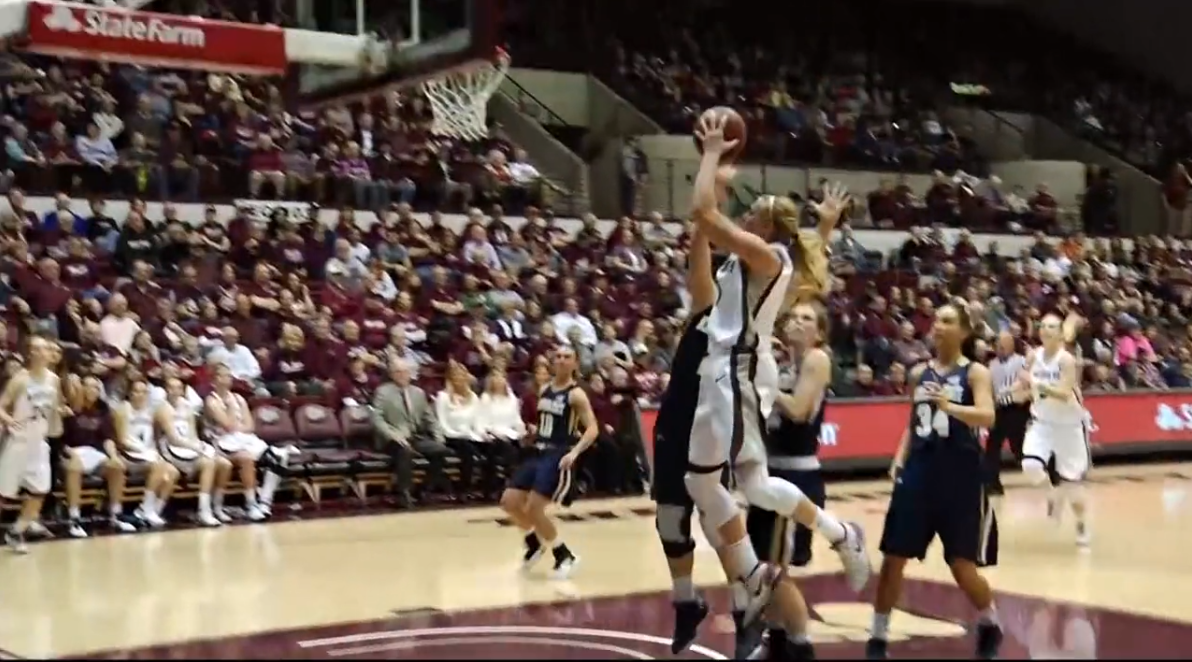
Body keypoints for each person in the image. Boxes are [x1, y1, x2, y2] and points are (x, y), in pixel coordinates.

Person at [681, 112, 870, 643]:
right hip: (717, 369)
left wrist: (712, 159)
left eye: (755, 212)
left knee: (749, 485)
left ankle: (827, 540)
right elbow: (700, 292)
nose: (747, 215)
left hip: (738, 373)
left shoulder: (770, 257)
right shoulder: (738, 266)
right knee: (706, 482)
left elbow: (704, 209)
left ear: (770, 226)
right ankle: (768, 567)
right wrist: (705, 219)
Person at [867, 300, 1001, 660]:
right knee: (893, 557)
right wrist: (899, 459)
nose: (937, 326)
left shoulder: (974, 373)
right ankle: (878, 637)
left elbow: (987, 417)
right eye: (936, 320)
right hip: (919, 473)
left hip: (960, 476)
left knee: (961, 566)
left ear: (964, 331)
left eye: (947, 321)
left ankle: (990, 621)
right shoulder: (918, 373)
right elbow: (914, 424)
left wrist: (951, 407)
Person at [745, 304, 834, 657]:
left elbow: (797, 410)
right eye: (794, 316)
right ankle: (776, 640)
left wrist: (763, 388)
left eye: (807, 318)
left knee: (777, 569)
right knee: (761, 568)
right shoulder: (780, 364)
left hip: (796, 475)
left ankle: (801, 646)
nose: (797, 321)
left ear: (820, 332)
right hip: (769, 471)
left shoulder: (817, 358)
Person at [499, 346, 598, 580]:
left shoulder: (576, 394)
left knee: (535, 506)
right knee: (509, 501)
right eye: (558, 357)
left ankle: (564, 555)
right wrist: (532, 431)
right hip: (538, 451)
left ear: (575, 363)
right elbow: (546, 423)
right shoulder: (545, 389)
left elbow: (593, 428)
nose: (561, 360)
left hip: (559, 454)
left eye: (567, 357)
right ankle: (535, 542)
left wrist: (574, 452)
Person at [1022, 313, 1092, 546]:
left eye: (1052, 326)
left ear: (1060, 333)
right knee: (1030, 465)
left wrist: (1038, 385)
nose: (1045, 329)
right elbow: (1025, 384)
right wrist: (1016, 388)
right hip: (1042, 421)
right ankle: (1053, 494)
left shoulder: (1066, 360)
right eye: (1042, 325)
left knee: (1073, 489)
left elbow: (1063, 393)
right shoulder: (1033, 356)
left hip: (1069, 427)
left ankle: (1081, 524)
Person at [0, 337, 62, 553]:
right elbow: (2, 406)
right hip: (18, 443)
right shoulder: (20, 379)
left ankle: (16, 531)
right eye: (34, 348)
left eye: (42, 348)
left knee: (40, 491)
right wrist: (7, 420)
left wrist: (56, 429)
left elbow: (55, 408)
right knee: (4, 494)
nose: (38, 352)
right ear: (29, 354)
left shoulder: (54, 380)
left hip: (39, 445)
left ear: (48, 353)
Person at [205, 364, 288, 521]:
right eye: (223, 375)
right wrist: (230, 410)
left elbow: (250, 426)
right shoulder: (211, 401)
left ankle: (264, 501)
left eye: (229, 375)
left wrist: (238, 426)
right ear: (214, 380)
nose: (228, 378)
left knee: (280, 456)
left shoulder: (239, 398)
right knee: (246, 458)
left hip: (243, 439)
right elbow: (228, 425)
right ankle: (251, 504)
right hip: (222, 444)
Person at [61, 375, 139, 537]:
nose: (93, 390)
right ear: (81, 388)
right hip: (70, 451)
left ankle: (115, 515)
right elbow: (59, 439)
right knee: (74, 467)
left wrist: (113, 455)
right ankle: (74, 518)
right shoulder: (68, 409)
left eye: (96, 387)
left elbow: (108, 439)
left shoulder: (103, 410)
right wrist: (69, 452)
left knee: (117, 467)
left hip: (94, 453)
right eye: (89, 386)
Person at [159, 375, 233, 527]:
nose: (175, 390)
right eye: (171, 387)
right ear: (166, 390)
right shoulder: (162, 408)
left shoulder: (187, 406)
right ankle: (203, 510)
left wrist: (201, 446)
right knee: (208, 463)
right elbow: (172, 438)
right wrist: (196, 448)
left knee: (225, 464)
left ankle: (217, 507)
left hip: (188, 449)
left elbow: (192, 433)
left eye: (178, 387)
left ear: (182, 390)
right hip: (171, 450)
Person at [113, 379, 176, 528]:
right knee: (158, 466)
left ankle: (154, 511)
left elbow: (153, 436)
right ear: (130, 393)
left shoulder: (151, 411)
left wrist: (152, 451)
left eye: (144, 392)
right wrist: (142, 450)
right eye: (137, 391)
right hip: (129, 455)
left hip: (146, 454)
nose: (140, 395)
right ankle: (145, 508)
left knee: (173, 472)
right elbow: (121, 440)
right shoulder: (123, 409)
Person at [985, 331, 1029, 496]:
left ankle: (1051, 469)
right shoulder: (992, 364)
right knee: (992, 447)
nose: (1000, 349)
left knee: (1019, 447)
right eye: (998, 346)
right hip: (999, 410)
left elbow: (1027, 384)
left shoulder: (1022, 362)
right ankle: (992, 484)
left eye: (1003, 345)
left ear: (1011, 345)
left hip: (1017, 408)